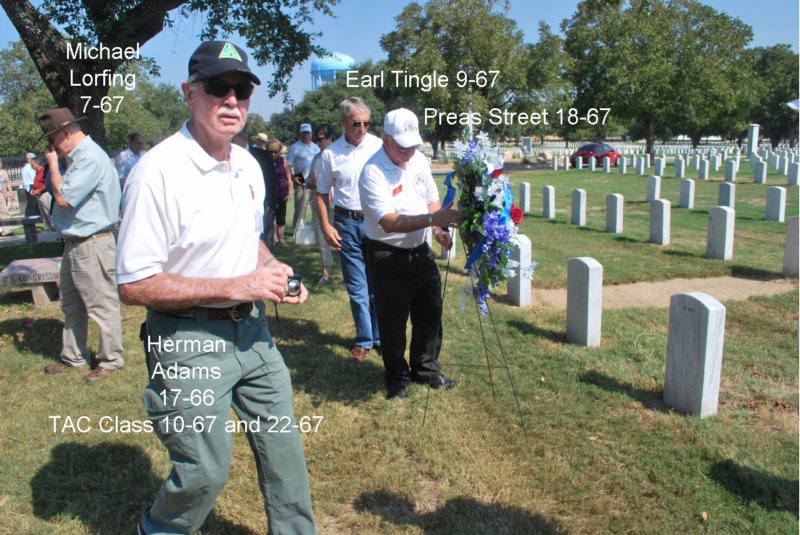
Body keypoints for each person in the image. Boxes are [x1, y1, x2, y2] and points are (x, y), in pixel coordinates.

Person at [115, 40, 316, 535]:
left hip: (252, 332)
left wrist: (275, 269)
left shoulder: (248, 164)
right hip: (187, 341)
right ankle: (158, 528)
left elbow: (248, 243)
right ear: (189, 92)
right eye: (217, 88)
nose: (231, 100)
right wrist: (238, 283)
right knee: (205, 470)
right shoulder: (156, 173)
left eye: (241, 90)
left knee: (284, 452)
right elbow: (134, 284)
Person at [359, 108, 464, 399]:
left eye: (413, 144)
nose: (409, 151)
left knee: (430, 312)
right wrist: (434, 221)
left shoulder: (417, 159)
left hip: (420, 251)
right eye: (403, 145)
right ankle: (396, 377)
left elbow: (430, 200)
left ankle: (426, 369)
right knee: (393, 322)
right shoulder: (372, 172)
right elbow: (388, 221)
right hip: (387, 256)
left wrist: (438, 230)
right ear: (385, 139)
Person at [37, 107, 124, 382]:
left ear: (64, 134)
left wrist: (51, 165)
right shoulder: (80, 158)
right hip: (75, 242)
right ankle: (74, 356)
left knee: (101, 306)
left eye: (52, 142)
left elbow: (64, 198)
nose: (52, 148)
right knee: (72, 304)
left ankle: (111, 360)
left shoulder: (89, 157)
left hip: (93, 243)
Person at [315, 97, 383, 361]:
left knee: (378, 285)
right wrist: (326, 225)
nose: (362, 129)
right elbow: (321, 194)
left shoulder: (379, 146)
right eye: (357, 123)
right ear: (343, 121)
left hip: (376, 222)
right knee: (357, 287)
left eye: (367, 123)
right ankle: (364, 340)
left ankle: (379, 337)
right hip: (346, 224)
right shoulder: (330, 154)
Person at [306, 124, 335, 284]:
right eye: (316, 139)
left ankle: (350, 270)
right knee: (323, 238)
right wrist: (310, 183)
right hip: (319, 203)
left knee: (344, 238)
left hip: (338, 204)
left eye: (320, 139)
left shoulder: (340, 156)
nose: (318, 142)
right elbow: (309, 179)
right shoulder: (316, 158)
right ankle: (325, 273)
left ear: (331, 138)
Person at [286, 123, 319, 231]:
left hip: (315, 182)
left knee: (316, 208)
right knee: (300, 208)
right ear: (300, 134)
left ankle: (314, 230)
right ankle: (297, 230)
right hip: (301, 182)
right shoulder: (294, 147)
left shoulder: (316, 147)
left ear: (311, 134)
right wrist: (295, 179)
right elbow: (288, 165)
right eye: (303, 133)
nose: (306, 135)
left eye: (308, 133)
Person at [250, 132, 278, 251]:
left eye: (276, 152)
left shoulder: (280, 160)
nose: (273, 154)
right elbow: (296, 166)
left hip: (280, 190)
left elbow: (289, 173)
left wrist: (301, 183)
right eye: (261, 141)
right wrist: (301, 182)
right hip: (301, 185)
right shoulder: (297, 148)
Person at [268, 138, 292, 245]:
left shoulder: (283, 161)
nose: (273, 154)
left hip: (282, 193)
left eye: (275, 152)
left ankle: (281, 239)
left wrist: (289, 192)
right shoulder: (266, 161)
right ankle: (274, 239)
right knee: (270, 217)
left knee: (281, 217)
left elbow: (289, 178)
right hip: (270, 194)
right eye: (271, 152)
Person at [21, 152, 39, 217]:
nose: (34, 161)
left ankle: (34, 216)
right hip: (31, 186)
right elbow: (33, 178)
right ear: (29, 160)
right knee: (32, 204)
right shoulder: (29, 168)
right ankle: (28, 217)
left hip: (28, 186)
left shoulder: (25, 168)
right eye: (32, 159)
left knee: (34, 203)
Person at [0, 158, 14, 235]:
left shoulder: (4, 172)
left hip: (4, 194)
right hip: (1, 194)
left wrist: (11, 193)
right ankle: (6, 231)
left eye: (0, 163)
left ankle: (6, 230)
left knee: (4, 211)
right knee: (3, 212)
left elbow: (8, 183)